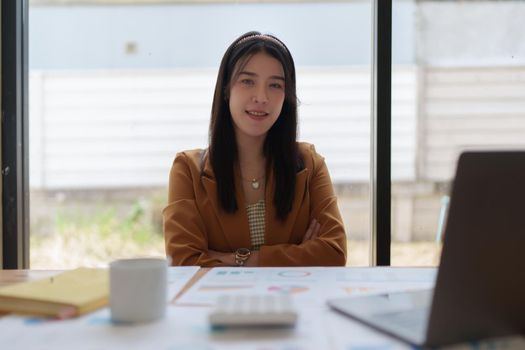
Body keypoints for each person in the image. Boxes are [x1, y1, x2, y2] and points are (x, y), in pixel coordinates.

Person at [163, 31, 347, 267]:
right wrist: (300, 253)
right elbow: (184, 263)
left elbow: (333, 253)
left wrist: (240, 259)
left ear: (286, 96)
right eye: (247, 81)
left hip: (293, 301)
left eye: (275, 85)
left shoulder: (310, 164)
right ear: (227, 88)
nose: (261, 97)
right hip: (219, 303)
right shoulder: (187, 170)